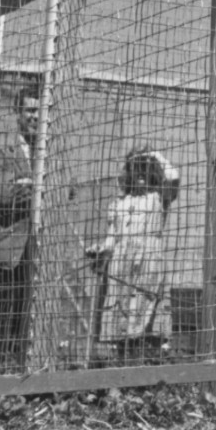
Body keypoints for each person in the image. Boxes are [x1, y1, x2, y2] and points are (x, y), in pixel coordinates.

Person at [87, 148, 180, 362]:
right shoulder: (118, 204)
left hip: (148, 261)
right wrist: (100, 250)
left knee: (146, 316)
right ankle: (122, 371)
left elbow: (173, 176)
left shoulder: (159, 197)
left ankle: (148, 372)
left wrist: (154, 155)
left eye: (145, 168)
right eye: (135, 167)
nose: (140, 173)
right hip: (121, 264)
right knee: (120, 320)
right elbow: (111, 241)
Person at [0, 75, 39, 370]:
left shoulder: (46, 150)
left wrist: (28, 183)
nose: (35, 117)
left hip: (35, 250)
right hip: (5, 249)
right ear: (18, 113)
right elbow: (4, 195)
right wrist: (36, 189)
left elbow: (67, 190)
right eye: (30, 110)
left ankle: (20, 377)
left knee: (25, 322)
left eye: (41, 111)